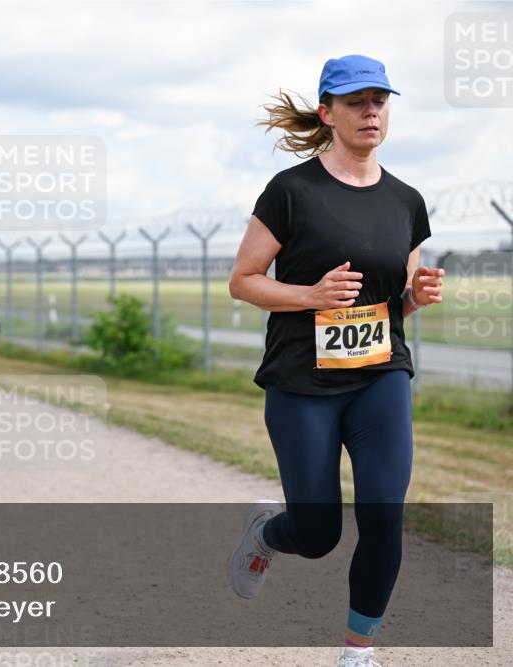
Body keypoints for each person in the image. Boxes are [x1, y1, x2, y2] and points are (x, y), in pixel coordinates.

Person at [227, 55, 445, 667]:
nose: (371, 111)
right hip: (302, 383)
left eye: (380, 100)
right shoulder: (291, 192)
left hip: (380, 375)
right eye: (356, 102)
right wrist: (309, 297)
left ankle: (357, 651)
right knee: (318, 535)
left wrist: (414, 297)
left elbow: (393, 304)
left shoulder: (407, 200)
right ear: (327, 113)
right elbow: (243, 281)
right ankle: (270, 533)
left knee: (383, 512)